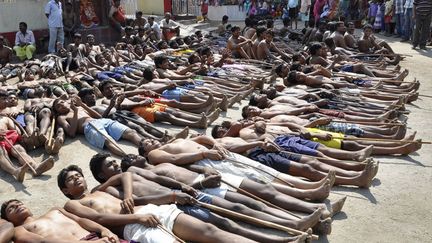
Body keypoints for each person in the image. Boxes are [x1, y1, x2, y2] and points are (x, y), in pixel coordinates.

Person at [58, 165, 256, 243]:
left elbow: (125, 174)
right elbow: (99, 218)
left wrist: (127, 195)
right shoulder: (72, 205)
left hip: (150, 211)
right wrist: (137, 216)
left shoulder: (98, 190)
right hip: (134, 225)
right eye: (71, 180)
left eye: (78, 176)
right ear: (66, 190)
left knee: (210, 231)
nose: (77, 179)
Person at [0, 199, 122, 242]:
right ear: (8, 220)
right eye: (11, 208)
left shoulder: (56, 209)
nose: (17, 206)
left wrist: (104, 230)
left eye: (18, 203)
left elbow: (80, 220)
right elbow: (42, 241)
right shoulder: (18, 230)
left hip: (101, 237)